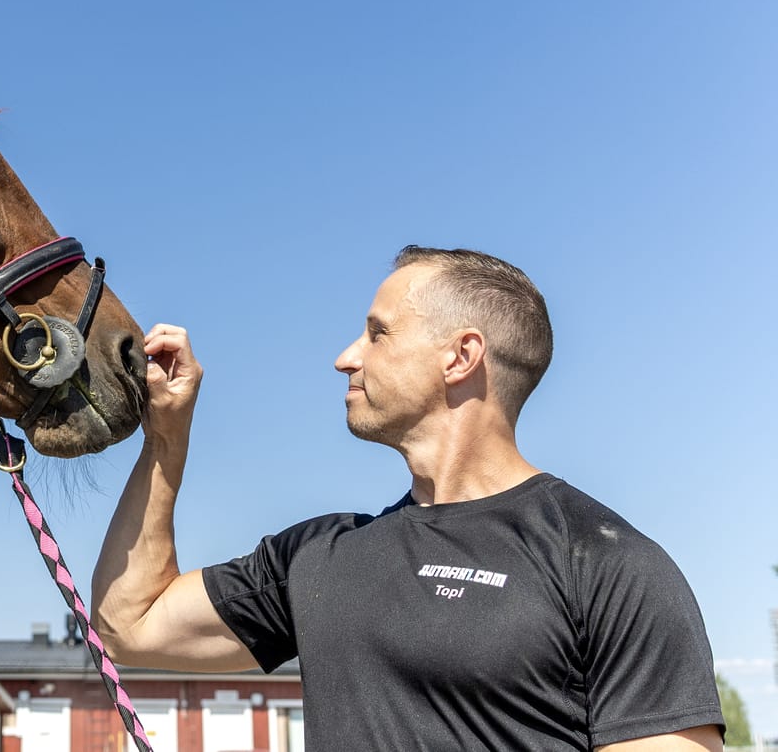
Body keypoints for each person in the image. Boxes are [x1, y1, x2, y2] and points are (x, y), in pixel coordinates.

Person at [91, 246, 724, 752]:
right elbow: (128, 625)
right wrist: (166, 439)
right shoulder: (315, 557)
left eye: (378, 333)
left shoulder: (605, 562)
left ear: (461, 356)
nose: (345, 358)